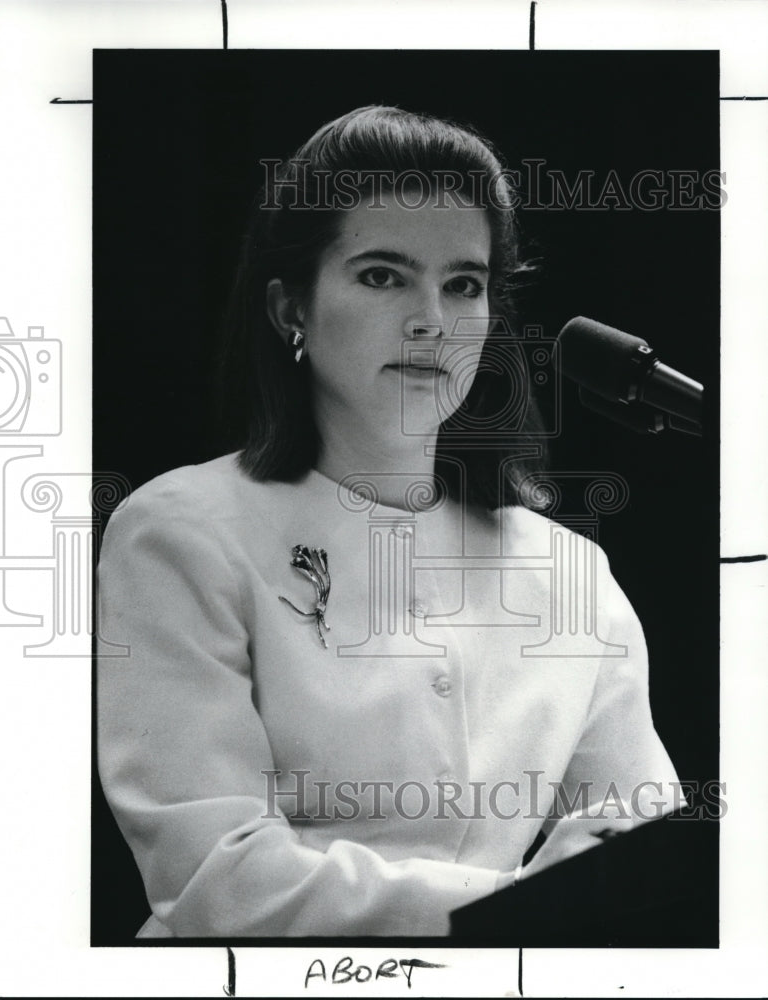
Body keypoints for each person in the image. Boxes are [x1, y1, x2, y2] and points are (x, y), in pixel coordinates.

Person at [96, 105, 683, 938]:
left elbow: (648, 852)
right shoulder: (179, 531)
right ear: (289, 307)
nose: (431, 321)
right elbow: (213, 879)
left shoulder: (569, 574)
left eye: (463, 284)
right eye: (382, 275)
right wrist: (518, 904)